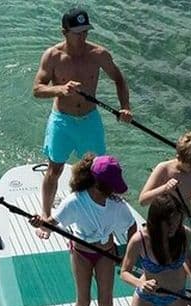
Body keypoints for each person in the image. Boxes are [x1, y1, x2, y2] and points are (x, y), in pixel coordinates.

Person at [32, 7, 133, 238]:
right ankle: (46, 217)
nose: (82, 37)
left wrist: (125, 107)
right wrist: (60, 89)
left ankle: (107, 215)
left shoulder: (99, 54)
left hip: (90, 121)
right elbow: (37, 89)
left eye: (85, 31)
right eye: (77, 32)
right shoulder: (52, 56)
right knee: (54, 169)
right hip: (62, 122)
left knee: (100, 173)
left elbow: (119, 79)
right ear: (64, 32)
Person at [29, 154, 136, 306]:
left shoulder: (116, 204)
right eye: (112, 187)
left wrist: (129, 255)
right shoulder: (75, 202)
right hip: (81, 254)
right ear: (99, 184)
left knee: (106, 302)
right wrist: (39, 222)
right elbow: (51, 223)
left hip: (107, 252)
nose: (115, 192)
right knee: (83, 300)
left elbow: (132, 226)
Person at [138, 130, 191, 244]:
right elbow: (142, 201)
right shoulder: (163, 169)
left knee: (183, 256)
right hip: (161, 221)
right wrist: (164, 188)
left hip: (181, 221)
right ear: (178, 157)